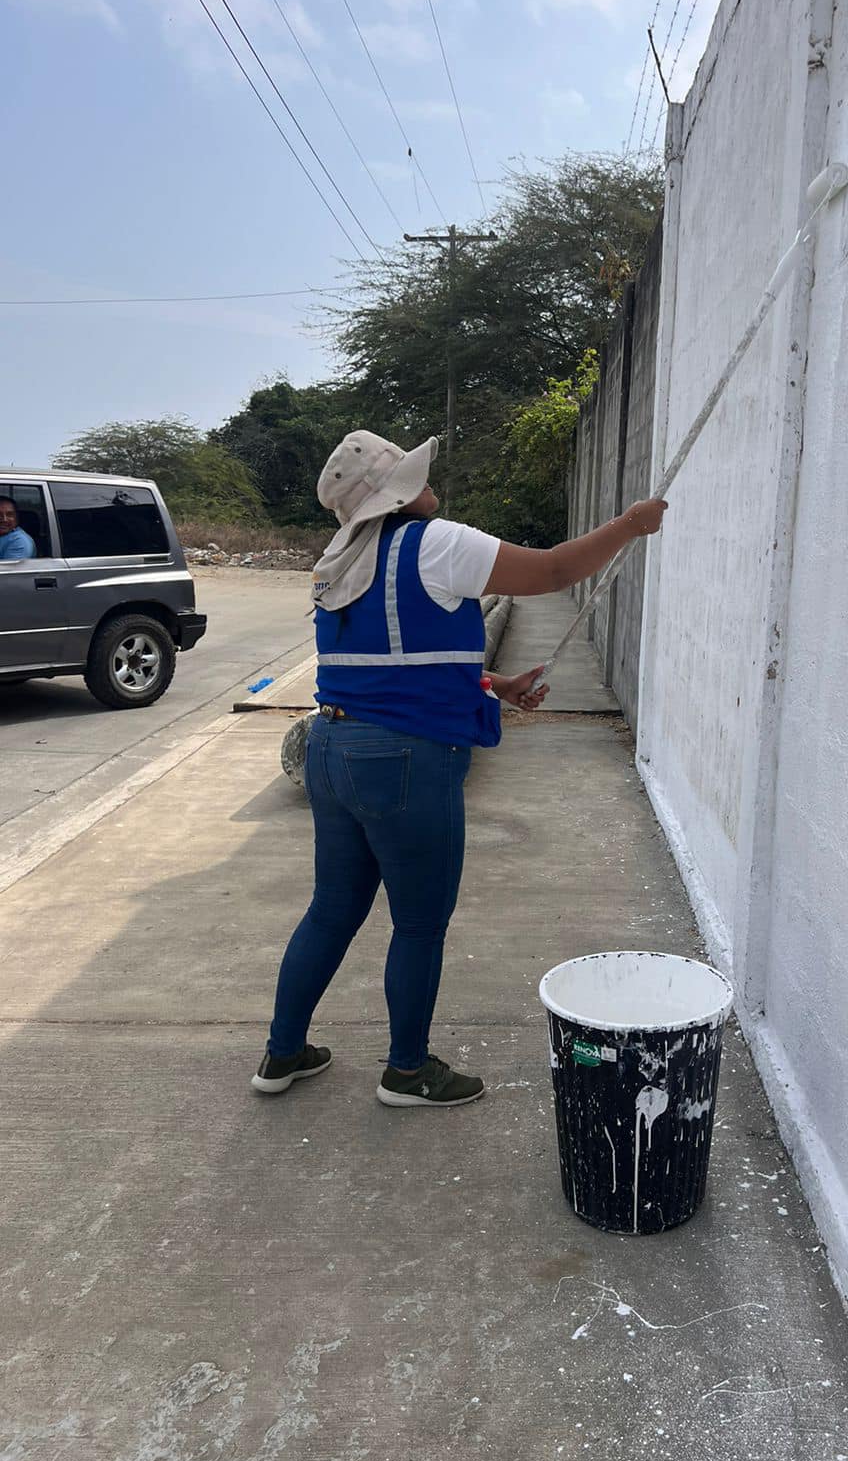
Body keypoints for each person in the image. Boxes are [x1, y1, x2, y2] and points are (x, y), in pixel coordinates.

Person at [252, 429, 667, 1107]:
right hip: (406, 761)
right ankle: (407, 1071)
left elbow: (385, 666)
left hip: (331, 749)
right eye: (412, 477)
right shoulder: (437, 544)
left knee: (331, 911)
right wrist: (630, 525)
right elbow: (551, 572)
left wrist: (494, 685)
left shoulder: (337, 560)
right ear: (397, 496)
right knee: (419, 923)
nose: (427, 483)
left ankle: (283, 1052)